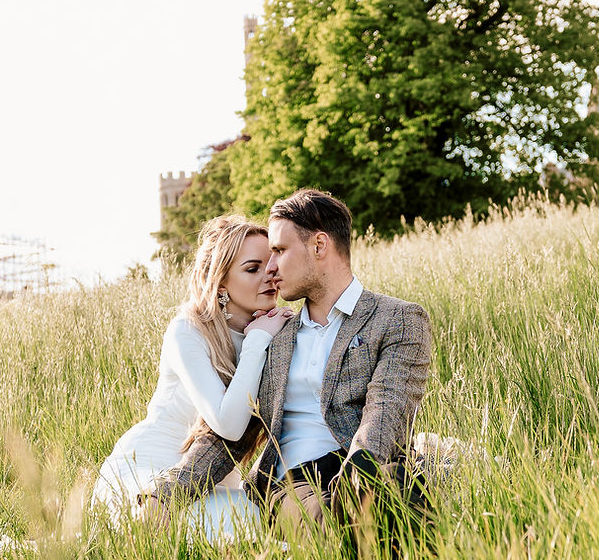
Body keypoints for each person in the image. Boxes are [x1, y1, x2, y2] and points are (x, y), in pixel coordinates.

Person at [145, 188, 433, 532]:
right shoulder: (273, 335)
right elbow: (231, 435)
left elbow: (387, 408)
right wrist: (167, 491)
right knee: (327, 511)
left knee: (395, 488)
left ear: (319, 246)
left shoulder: (397, 318)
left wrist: (360, 474)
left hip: (365, 466)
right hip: (295, 483)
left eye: (279, 251)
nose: (270, 266)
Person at [90, 214, 293, 541]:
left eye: (272, 265)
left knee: (262, 520)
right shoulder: (188, 330)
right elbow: (227, 424)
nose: (269, 275)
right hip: (148, 469)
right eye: (252, 268)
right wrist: (258, 341)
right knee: (243, 525)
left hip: (212, 477)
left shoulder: (278, 331)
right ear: (221, 281)